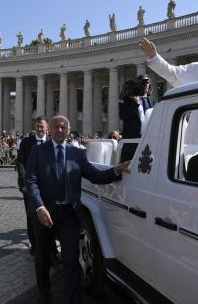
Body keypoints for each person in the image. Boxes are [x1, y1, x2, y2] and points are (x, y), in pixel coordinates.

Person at [26, 115, 130, 304]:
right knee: (42, 259)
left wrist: (116, 170)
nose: (59, 130)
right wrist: (39, 207)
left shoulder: (78, 154)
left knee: (71, 261)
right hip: (44, 213)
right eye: (56, 127)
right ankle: (44, 294)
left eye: (63, 127)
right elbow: (31, 181)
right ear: (50, 130)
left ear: (69, 130)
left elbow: (94, 175)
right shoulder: (37, 151)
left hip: (69, 214)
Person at [16, 117, 58, 258]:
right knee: (31, 218)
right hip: (30, 186)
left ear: (47, 128)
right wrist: (24, 183)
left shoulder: (52, 142)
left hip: (49, 187)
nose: (40, 129)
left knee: (51, 216)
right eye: (38, 126)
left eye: (42, 126)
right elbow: (21, 163)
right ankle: (35, 247)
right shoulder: (27, 142)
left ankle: (52, 249)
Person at [118, 75, 157, 161]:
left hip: (149, 140)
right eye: (143, 84)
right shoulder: (127, 99)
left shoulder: (153, 100)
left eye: (147, 84)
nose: (146, 86)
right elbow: (123, 115)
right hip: (132, 141)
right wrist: (136, 103)